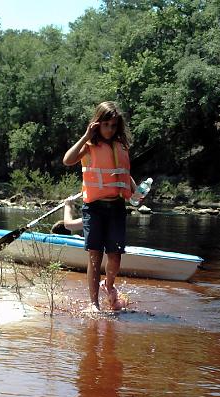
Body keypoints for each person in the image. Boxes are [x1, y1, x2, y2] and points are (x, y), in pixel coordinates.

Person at [63, 101, 143, 312]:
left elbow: (124, 173)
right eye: (106, 124)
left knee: (115, 257)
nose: (110, 129)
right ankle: (93, 304)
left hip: (116, 207)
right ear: (97, 124)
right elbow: (67, 160)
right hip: (94, 209)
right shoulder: (89, 146)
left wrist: (136, 192)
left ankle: (108, 285)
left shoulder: (121, 147)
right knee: (95, 256)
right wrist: (85, 136)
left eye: (114, 125)